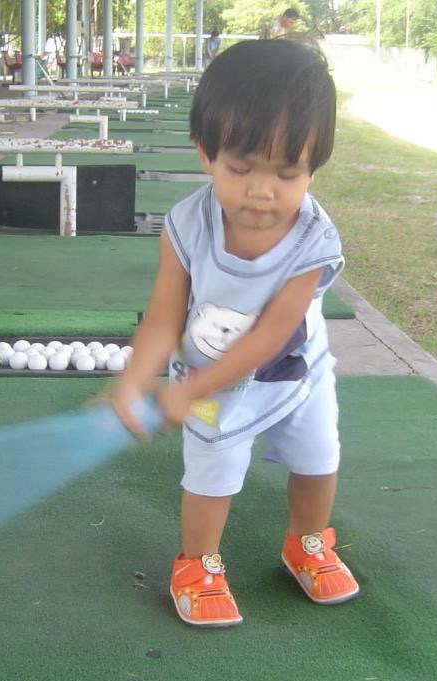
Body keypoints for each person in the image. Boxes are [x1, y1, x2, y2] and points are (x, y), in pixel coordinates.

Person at [111, 40, 358, 628]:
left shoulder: (313, 241)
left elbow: (272, 334)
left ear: (313, 168)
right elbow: (165, 317)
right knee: (212, 471)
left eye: (288, 173)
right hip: (208, 376)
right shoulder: (185, 225)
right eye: (241, 169)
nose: (262, 192)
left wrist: (186, 393)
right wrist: (134, 381)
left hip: (292, 371)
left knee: (319, 458)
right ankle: (198, 564)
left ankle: (308, 542)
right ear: (206, 154)